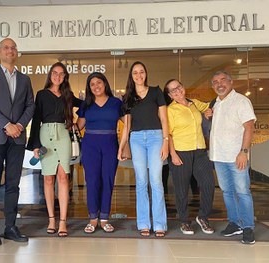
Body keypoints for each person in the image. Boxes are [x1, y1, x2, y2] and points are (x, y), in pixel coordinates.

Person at [0, 38, 35, 246]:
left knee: (13, 185)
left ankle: (10, 227)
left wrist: (19, 125)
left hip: (17, 139)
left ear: (17, 53)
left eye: (13, 48)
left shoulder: (25, 79)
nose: (10, 51)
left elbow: (30, 106)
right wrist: (6, 124)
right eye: (6, 48)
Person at [27, 62, 81, 237]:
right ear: (50, 74)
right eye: (55, 73)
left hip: (63, 135)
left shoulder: (68, 95)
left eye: (61, 74)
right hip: (46, 135)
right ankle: (51, 219)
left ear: (65, 77)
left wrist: (78, 124)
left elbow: (87, 105)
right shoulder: (41, 95)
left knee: (63, 176)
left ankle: (63, 221)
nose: (58, 76)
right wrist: (35, 145)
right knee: (48, 178)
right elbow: (36, 120)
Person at [118, 61, 169, 238]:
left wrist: (166, 142)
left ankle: (160, 224)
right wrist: (122, 146)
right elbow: (126, 126)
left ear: (146, 74)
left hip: (156, 137)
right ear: (131, 76)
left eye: (141, 72)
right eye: (135, 73)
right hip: (137, 139)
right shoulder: (127, 98)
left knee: (156, 181)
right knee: (141, 182)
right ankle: (144, 223)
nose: (139, 75)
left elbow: (164, 120)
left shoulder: (156, 92)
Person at [207, 70, 257, 244]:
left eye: (222, 80)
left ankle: (248, 227)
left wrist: (244, 152)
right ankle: (235, 223)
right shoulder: (216, 104)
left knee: (243, 192)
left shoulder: (241, 101)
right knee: (227, 192)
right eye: (215, 82)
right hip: (219, 156)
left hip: (237, 156)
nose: (219, 84)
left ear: (231, 82)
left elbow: (249, 127)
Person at [163, 79, 215, 235]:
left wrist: (208, 113)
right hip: (180, 152)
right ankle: (184, 221)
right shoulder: (170, 110)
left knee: (208, 184)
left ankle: (203, 217)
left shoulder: (194, 103)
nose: (177, 91)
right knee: (181, 189)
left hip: (199, 151)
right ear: (169, 95)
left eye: (178, 87)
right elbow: (168, 134)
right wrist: (173, 155)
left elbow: (210, 107)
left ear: (183, 87)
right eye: (172, 90)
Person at [76, 72, 124, 234]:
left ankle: (104, 218)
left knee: (108, 180)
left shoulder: (116, 103)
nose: (96, 86)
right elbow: (78, 127)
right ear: (89, 88)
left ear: (105, 83)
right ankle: (92, 219)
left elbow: (130, 122)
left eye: (99, 82)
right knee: (93, 181)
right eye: (92, 84)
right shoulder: (86, 104)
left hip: (111, 145)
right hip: (90, 146)